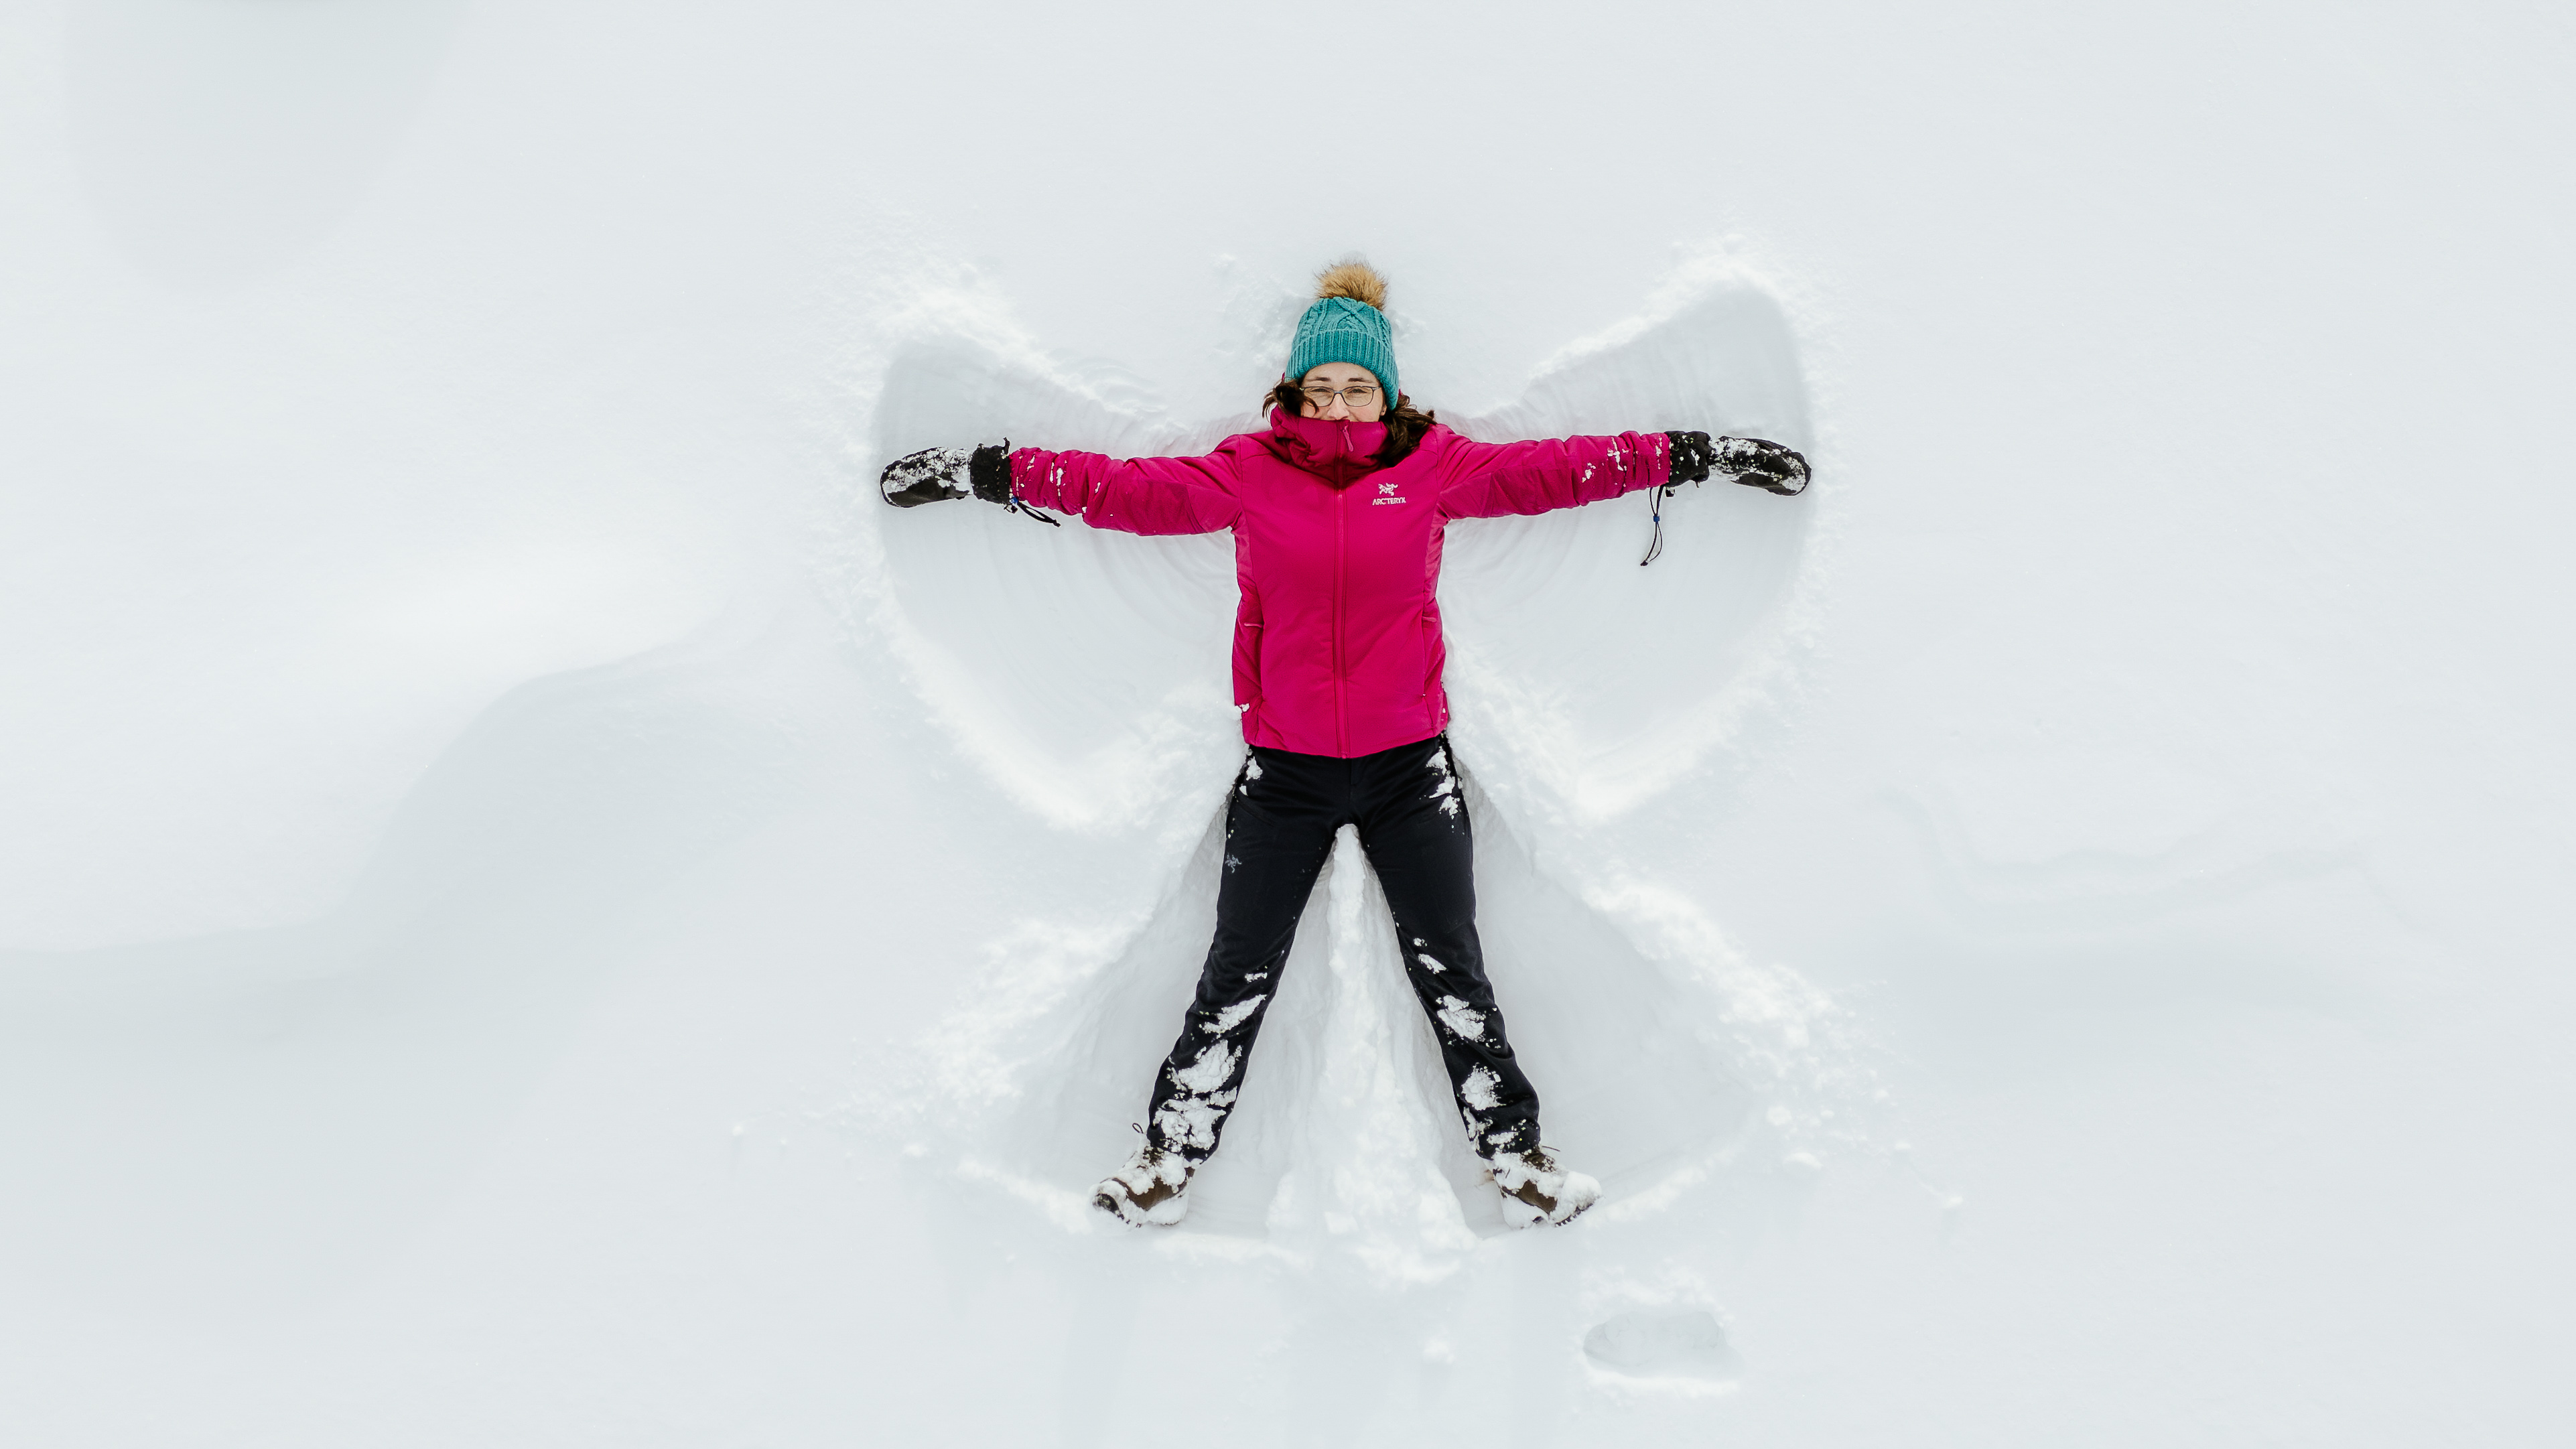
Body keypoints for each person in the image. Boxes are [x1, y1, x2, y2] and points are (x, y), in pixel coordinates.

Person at [880, 261, 1808, 1229]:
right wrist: (980, 472)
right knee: (1236, 970)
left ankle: (1517, 1161)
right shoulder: (1248, 473)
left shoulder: (1433, 470)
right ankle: (1166, 1159)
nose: (1334, 404)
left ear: (1386, 391)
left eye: (1354, 386)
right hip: (1284, 775)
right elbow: (1120, 492)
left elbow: (1564, 469)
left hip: (1410, 769)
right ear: (1291, 390)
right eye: (1318, 386)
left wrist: (1696, 455)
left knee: (1451, 967)